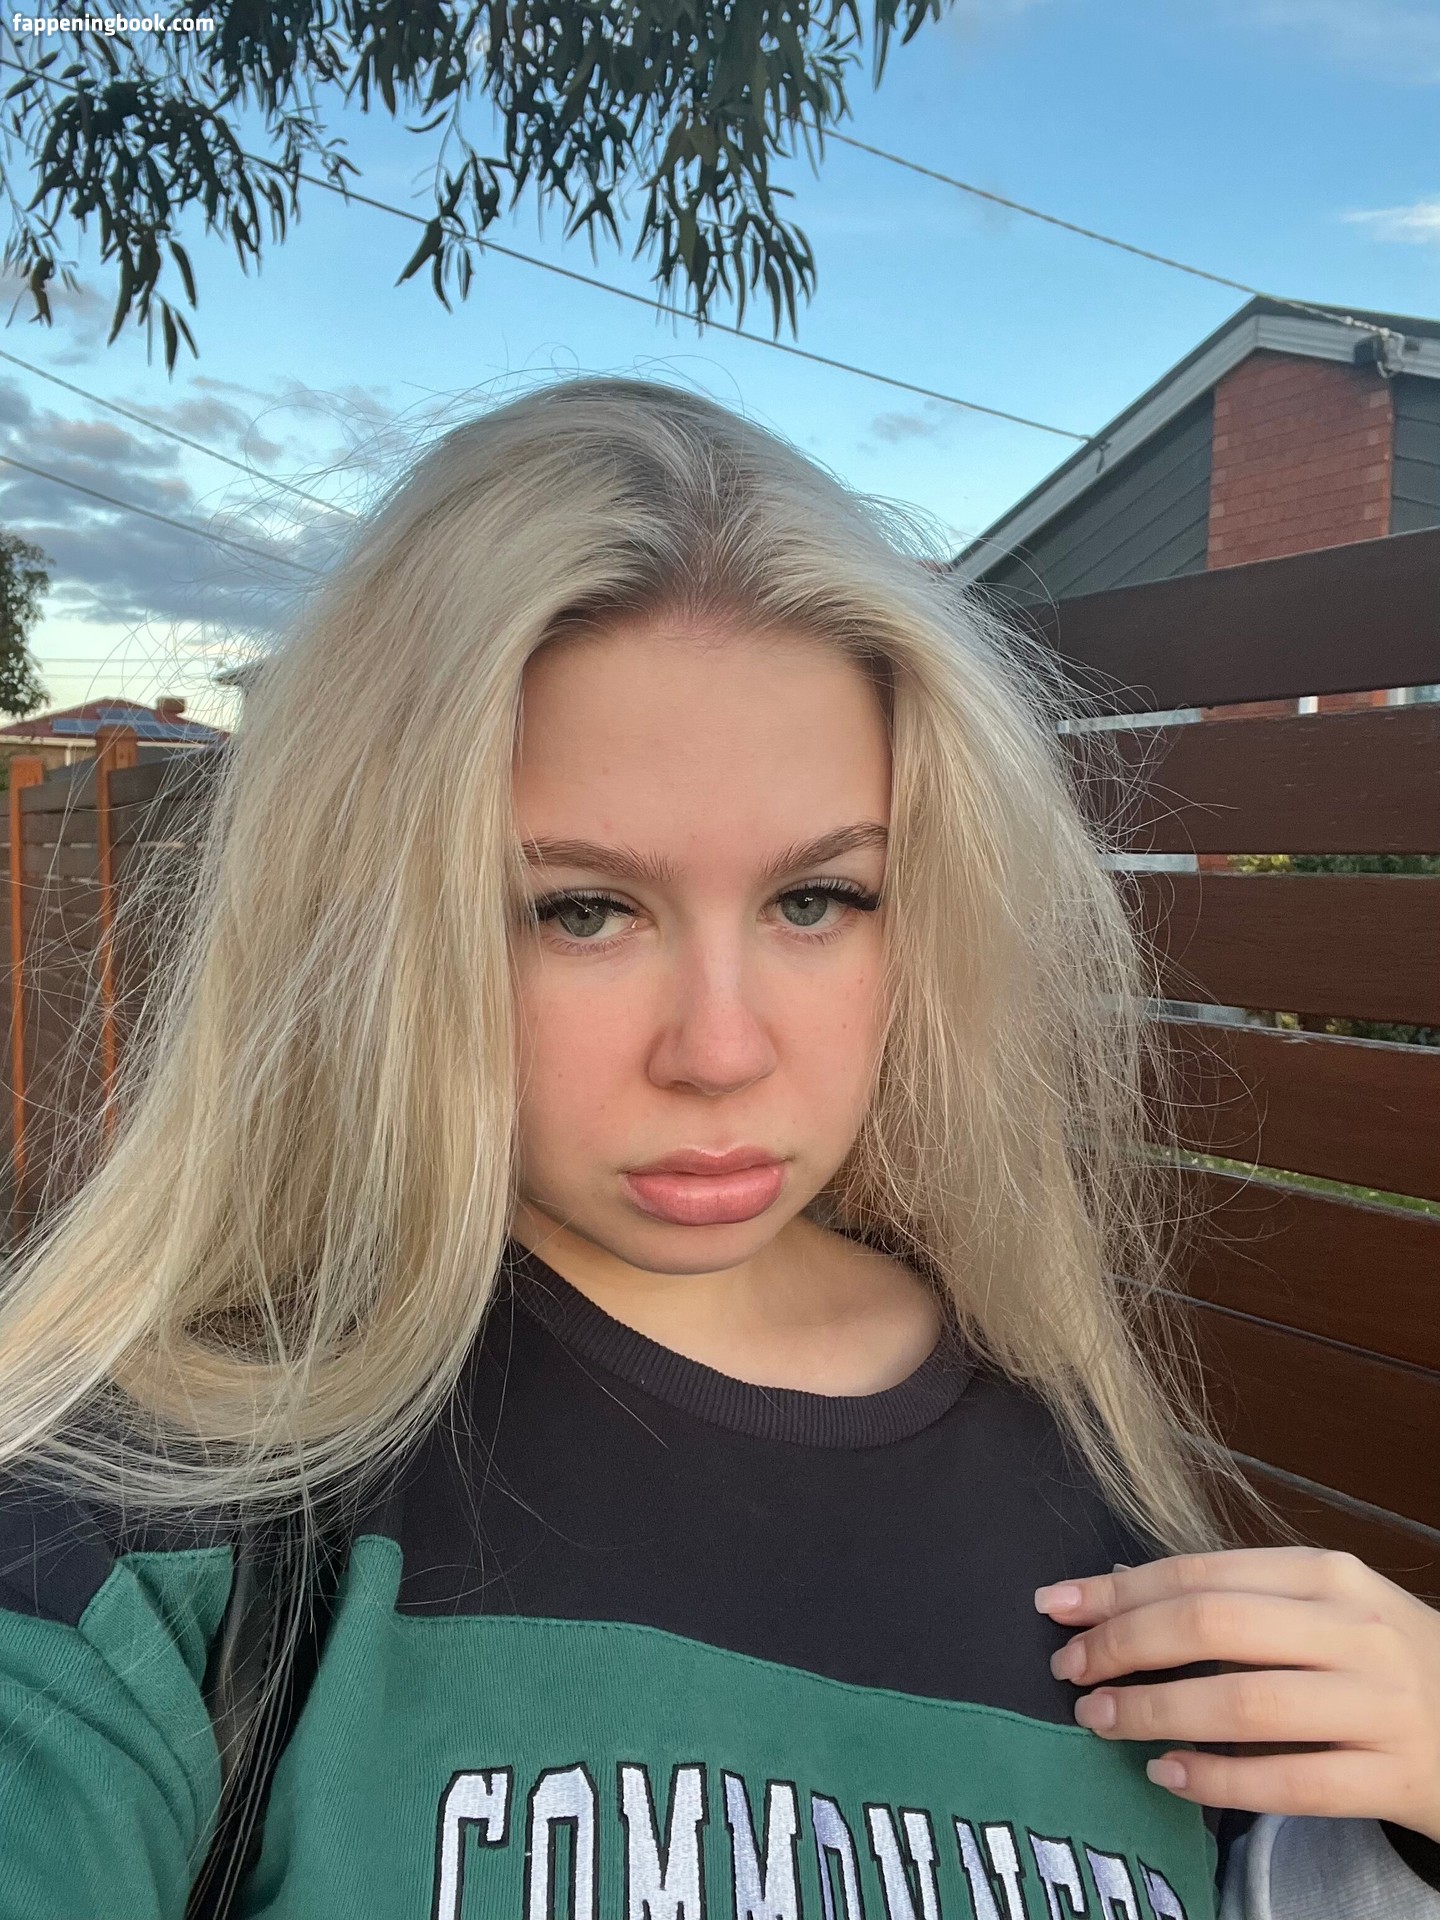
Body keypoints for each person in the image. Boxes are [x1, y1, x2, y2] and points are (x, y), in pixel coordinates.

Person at [0, 377, 1435, 1920]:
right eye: (581, 909)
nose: (721, 1050)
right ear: (372, 928)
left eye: (818, 899)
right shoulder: (156, 1520)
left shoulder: (1086, 1482)